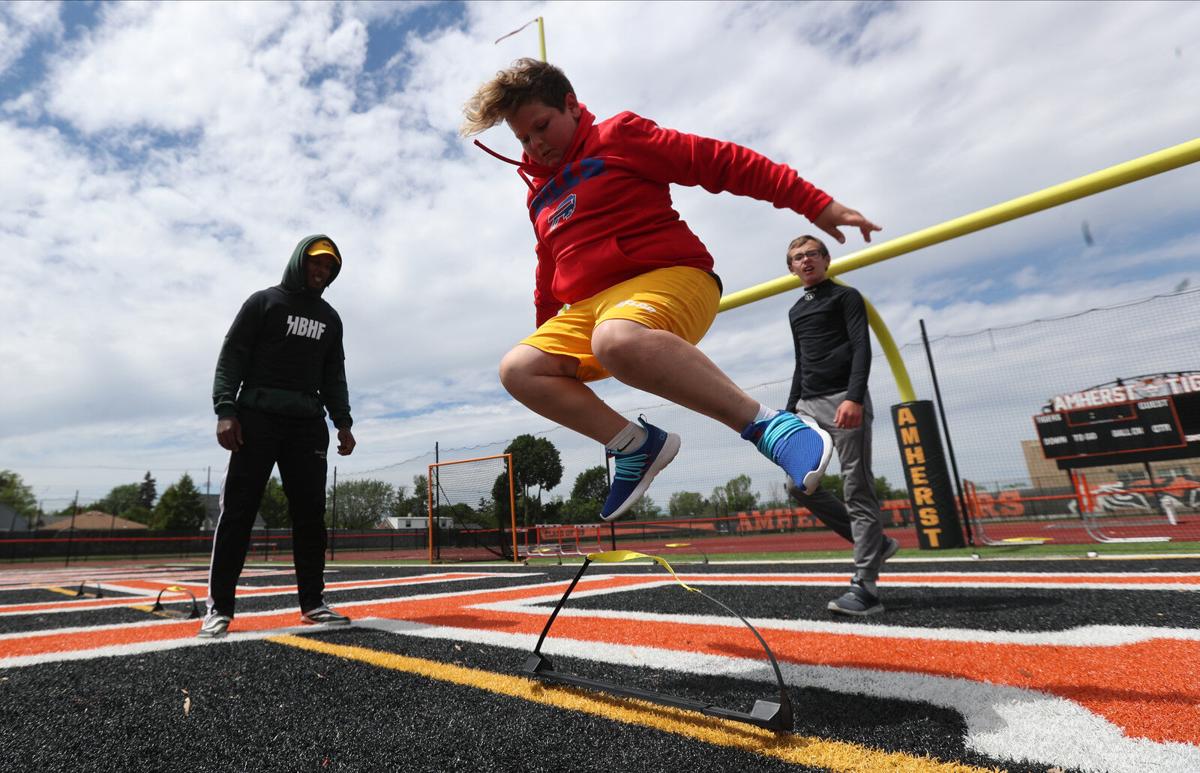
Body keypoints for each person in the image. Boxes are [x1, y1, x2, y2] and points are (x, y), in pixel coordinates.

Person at [460, 58, 881, 522]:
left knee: (615, 338)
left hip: (671, 277)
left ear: (571, 105)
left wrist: (813, 203)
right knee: (519, 368)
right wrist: (547, 337)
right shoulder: (538, 194)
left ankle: (769, 425)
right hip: (590, 308)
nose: (535, 145)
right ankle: (635, 447)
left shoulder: (619, 136)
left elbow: (720, 161)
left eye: (542, 127)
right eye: (523, 139)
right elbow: (548, 267)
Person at [199, 235, 357, 639]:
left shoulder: (330, 319)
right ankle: (219, 608)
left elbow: (334, 373)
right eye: (315, 264)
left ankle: (313, 604)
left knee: (310, 516)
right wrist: (225, 410)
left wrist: (343, 421)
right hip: (257, 416)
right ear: (298, 262)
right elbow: (231, 354)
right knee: (239, 510)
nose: (321, 272)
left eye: (328, 268)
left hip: (307, 421)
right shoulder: (264, 303)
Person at [784, 234, 899, 616]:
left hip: (843, 400)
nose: (806, 261)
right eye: (798, 257)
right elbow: (801, 362)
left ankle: (865, 585)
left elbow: (861, 347)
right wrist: (788, 410)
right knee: (798, 484)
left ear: (826, 259)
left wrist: (854, 396)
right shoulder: (796, 310)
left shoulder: (845, 297)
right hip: (809, 404)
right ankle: (876, 544)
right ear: (792, 267)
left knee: (857, 487)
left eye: (812, 254)